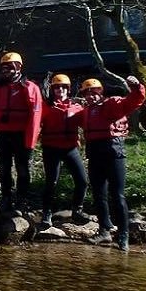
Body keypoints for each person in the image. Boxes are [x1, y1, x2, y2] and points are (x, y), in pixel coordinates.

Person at [81, 76, 145, 251]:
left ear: (101, 92)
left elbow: (134, 101)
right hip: (95, 155)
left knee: (118, 196)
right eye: (87, 93)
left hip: (114, 153)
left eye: (94, 92)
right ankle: (104, 231)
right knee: (99, 195)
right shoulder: (86, 110)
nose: (90, 96)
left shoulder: (112, 104)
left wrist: (136, 86)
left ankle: (123, 235)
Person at [0, 52, 43, 212]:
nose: (6, 71)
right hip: (3, 134)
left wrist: (30, 141)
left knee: (23, 170)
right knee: (4, 169)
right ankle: (6, 198)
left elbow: (36, 115)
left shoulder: (31, 88)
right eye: (3, 68)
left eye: (9, 68)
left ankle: (22, 201)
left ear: (18, 68)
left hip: (22, 135)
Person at [38, 74, 89, 227]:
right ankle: (46, 214)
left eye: (63, 87)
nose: (60, 90)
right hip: (51, 147)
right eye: (56, 87)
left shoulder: (77, 107)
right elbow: (35, 122)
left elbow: (89, 123)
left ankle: (77, 211)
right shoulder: (46, 106)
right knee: (51, 182)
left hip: (70, 148)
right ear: (52, 90)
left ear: (68, 89)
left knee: (82, 181)